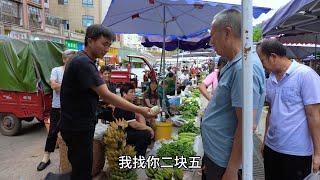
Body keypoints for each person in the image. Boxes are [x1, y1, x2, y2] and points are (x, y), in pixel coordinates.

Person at [59, 24, 156, 180]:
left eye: (109, 45)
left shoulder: (82, 60)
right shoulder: (83, 62)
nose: (106, 49)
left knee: (81, 167)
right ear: (90, 41)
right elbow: (107, 95)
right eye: (104, 44)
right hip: (77, 127)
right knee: (82, 171)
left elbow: (91, 93)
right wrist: (140, 109)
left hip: (77, 124)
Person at [201, 9, 265, 180]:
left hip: (224, 163)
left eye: (213, 35)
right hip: (217, 155)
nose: (211, 41)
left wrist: (231, 170)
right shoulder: (234, 62)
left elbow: (245, 125)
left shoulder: (243, 68)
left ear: (227, 33)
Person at [256, 39, 320, 180]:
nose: (262, 65)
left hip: (296, 152)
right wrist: (266, 140)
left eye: (262, 60)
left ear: (273, 56)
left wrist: (318, 153)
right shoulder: (270, 80)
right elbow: (271, 112)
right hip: (272, 148)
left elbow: (314, 116)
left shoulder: (305, 75)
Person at [36, 50, 76, 171]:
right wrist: (71, 86)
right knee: (52, 132)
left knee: (72, 134)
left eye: (74, 59)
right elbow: (53, 86)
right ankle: (46, 157)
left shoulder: (76, 72)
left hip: (73, 108)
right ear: (64, 59)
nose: (72, 62)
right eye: (70, 59)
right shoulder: (56, 70)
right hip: (57, 107)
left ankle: (71, 160)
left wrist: (62, 85)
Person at [113, 83, 154, 156]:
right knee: (146, 134)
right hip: (122, 133)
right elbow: (134, 124)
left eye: (134, 92)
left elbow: (138, 115)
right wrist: (148, 129)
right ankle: (137, 156)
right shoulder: (123, 106)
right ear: (124, 94)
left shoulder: (127, 104)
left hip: (129, 128)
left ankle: (141, 149)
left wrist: (145, 125)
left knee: (146, 125)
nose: (134, 94)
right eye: (131, 92)